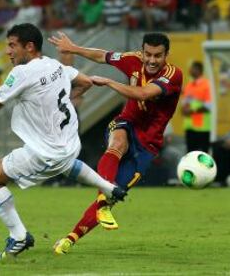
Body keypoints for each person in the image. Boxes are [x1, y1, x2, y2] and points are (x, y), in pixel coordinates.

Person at [0, 23, 126, 259]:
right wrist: (65, 101)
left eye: (12, 45)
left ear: (29, 46)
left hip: (44, 152)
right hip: (70, 145)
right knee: (67, 164)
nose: (8, 51)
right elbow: (85, 82)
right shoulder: (55, 65)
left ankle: (19, 237)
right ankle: (109, 188)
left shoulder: (22, 72)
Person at [48, 31, 182, 254]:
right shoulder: (134, 60)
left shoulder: (173, 75)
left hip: (148, 144)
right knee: (116, 145)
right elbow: (104, 56)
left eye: (157, 56)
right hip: (126, 123)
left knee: (113, 195)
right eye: (147, 54)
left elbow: (142, 94)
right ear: (142, 50)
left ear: (166, 54)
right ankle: (103, 200)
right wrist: (74, 48)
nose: (151, 60)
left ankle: (70, 239)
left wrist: (109, 82)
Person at [181, 61, 212, 153]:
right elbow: (184, 105)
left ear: (199, 70)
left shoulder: (206, 85)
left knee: (203, 155)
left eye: (192, 68)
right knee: (191, 155)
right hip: (189, 127)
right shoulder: (189, 86)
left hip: (202, 128)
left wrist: (191, 111)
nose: (190, 70)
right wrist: (183, 110)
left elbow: (208, 106)